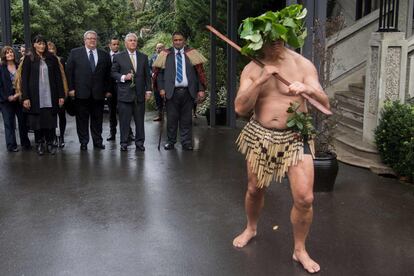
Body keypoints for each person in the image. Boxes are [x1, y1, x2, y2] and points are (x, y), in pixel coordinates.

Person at [232, 6, 330, 274]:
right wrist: (261, 80)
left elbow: (324, 101)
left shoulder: (302, 65)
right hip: (260, 135)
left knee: (305, 198)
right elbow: (240, 108)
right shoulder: (253, 68)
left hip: (296, 136)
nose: (277, 43)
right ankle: (251, 227)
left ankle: (300, 249)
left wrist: (306, 88)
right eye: (271, 39)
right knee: (255, 189)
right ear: (261, 40)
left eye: (280, 38)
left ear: (287, 36)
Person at [153, 31, 207, 151]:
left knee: (186, 119)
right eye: (175, 40)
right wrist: (161, 88)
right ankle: (170, 142)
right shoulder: (165, 54)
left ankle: (186, 142)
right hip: (171, 92)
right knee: (171, 119)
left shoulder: (192, 54)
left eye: (180, 40)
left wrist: (201, 89)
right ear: (172, 41)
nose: (178, 42)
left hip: (188, 92)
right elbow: (159, 74)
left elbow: (199, 74)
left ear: (184, 41)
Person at [66, 30, 112, 151]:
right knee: (82, 120)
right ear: (84, 40)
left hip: (98, 94)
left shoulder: (104, 55)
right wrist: (71, 89)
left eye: (94, 38)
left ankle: (97, 141)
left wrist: (107, 90)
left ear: (96, 40)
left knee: (97, 119)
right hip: (81, 93)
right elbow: (69, 72)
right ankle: (84, 142)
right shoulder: (75, 53)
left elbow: (108, 74)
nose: (92, 40)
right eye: (89, 38)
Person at [21, 35, 65, 155]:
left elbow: (58, 78)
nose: (42, 46)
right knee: (37, 121)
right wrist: (25, 97)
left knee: (50, 120)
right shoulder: (28, 58)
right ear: (34, 45)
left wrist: (61, 95)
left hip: (51, 94)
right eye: (39, 43)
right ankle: (40, 143)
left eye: (43, 44)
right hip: (35, 96)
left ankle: (50, 143)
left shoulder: (51, 58)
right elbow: (24, 79)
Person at [111, 33, 151, 152]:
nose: (133, 42)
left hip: (139, 95)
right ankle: (124, 143)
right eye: (130, 41)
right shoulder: (118, 57)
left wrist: (148, 90)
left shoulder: (143, 57)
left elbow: (147, 76)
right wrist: (123, 77)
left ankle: (140, 143)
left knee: (139, 121)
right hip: (125, 94)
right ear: (126, 43)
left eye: (135, 40)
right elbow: (113, 73)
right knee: (124, 121)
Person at [0, 46, 31, 152]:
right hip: (6, 100)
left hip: (19, 97)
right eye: (7, 53)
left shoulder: (19, 66)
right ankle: (11, 145)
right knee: (9, 123)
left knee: (23, 121)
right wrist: (7, 97)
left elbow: (24, 81)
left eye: (11, 52)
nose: (10, 54)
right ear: (4, 55)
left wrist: (19, 94)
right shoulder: (1, 68)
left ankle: (25, 143)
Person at [106, 37, 134, 142]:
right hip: (111, 89)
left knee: (125, 112)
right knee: (112, 112)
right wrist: (107, 90)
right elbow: (106, 74)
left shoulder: (124, 56)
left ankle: (129, 133)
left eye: (117, 44)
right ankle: (112, 133)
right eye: (114, 44)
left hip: (123, 87)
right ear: (110, 45)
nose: (116, 46)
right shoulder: (105, 57)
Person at [48, 41, 68, 148]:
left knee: (62, 115)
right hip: (50, 92)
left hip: (61, 91)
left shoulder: (61, 60)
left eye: (52, 49)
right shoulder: (45, 61)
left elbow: (65, 75)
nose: (51, 51)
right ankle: (53, 136)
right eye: (49, 49)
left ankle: (62, 136)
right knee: (52, 116)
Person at [149, 43, 165, 121]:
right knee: (157, 98)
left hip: (165, 81)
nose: (159, 49)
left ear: (164, 48)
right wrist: (151, 73)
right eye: (157, 48)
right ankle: (160, 115)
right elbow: (148, 68)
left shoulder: (167, 57)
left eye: (160, 48)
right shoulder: (153, 57)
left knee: (167, 99)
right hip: (155, 81)